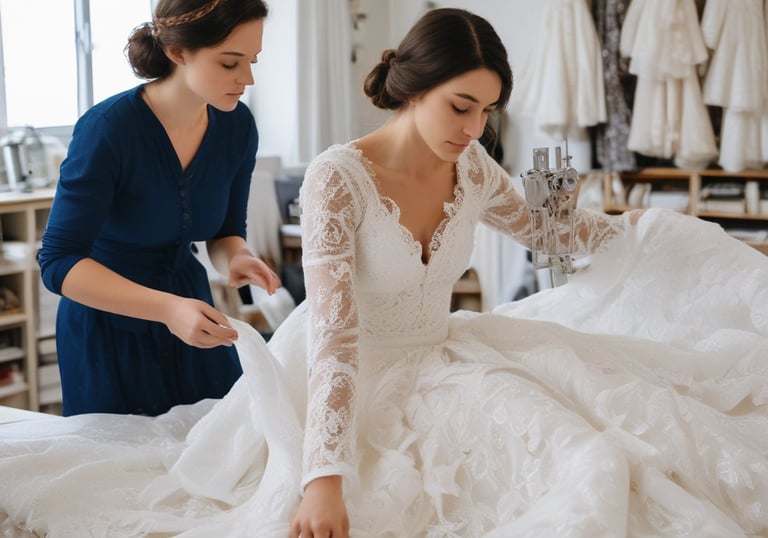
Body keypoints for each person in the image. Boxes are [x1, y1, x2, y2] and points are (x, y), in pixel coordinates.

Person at [1, 7, 767, 538]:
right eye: (460, 107)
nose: (474, 129)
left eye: (487, 112)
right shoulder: (339, 176)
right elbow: (336, 331)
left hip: (446, 353)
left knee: (595, 451)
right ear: (414, 89)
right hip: (349, 369)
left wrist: (659, 235)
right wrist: (322, 476)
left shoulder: (474, 166)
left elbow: (556, 229)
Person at [36, 0, 280, 417]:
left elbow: (225, 231)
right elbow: (58, 262)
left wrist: (236, 257)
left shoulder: (237, 126)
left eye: (252, 61)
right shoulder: (108, 129)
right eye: (230, 63)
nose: (247, 78)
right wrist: (167, 308)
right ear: (177, 52)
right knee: (123, 455)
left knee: (216, 442)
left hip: (193, 316)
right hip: (109, 327)